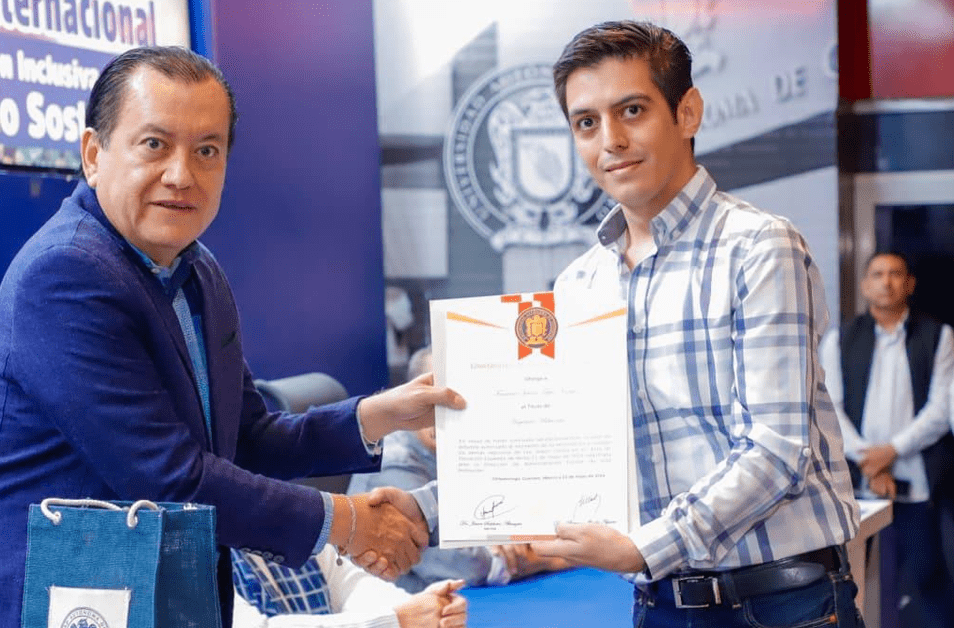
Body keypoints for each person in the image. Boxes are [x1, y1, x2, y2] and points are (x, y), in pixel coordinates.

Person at [0, 46, 464, 628]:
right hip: (53, 601)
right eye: (154, 144)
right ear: (93, 154)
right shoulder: (64, 274)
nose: (182, 175)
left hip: (165, 600)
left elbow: (248, 439)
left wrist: (381, 415)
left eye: (207, 150)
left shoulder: (198, 270)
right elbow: (170, 478)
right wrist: (350, 520)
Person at [363, 21, 863, 627]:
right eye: (586, 122)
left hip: (780, 604)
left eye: (632, 110)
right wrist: (424, 509)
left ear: (687, 112)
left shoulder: (760, 247)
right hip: (659, 606)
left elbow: (775, 450)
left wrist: (643, 548)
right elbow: (551, 454)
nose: (612, 140)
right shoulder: (579, 285)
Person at [349, 348, 568, 592]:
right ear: (411, 399)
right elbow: (462, 563)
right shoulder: (393, 462)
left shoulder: (474, 445)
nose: (449, 410)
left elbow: (516, 512)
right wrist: (546, 559)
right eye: (435, 400)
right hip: (403, 603)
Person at [819, 251, 954, 625]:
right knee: (849, 582)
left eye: (895, 274)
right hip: (858, 481)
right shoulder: (840, 339)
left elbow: (941, 409)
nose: (886, 281)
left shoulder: (939, 336)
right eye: (877, 274)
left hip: (917, 478)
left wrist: (890, 452)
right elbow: (830, 407)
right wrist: (870, 460)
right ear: (865, 285)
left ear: (909, 284)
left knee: (927, 579)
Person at [231, 545, 467, 628]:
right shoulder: (206, 544)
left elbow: (351, 585)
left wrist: (426, 608)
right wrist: (398, 620)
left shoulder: (285, 522)